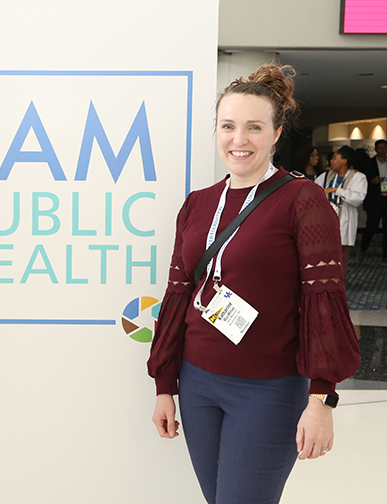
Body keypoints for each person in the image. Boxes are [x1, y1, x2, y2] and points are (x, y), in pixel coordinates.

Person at [148, 63, 360, 504]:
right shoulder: (198, 203)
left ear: (277, 133)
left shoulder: (304, 199)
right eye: (228, 126)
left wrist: (321, 398)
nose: (238, 140)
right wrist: (165, 384)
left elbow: (324, 301)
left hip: (268, 389)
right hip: (198, 383)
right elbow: (177, 295)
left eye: (254, 127)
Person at [315, 146, 367, 280]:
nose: (331, 161)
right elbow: (313, 190)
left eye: (334, 158)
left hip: (345, 214)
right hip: (326, 215)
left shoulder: (358, 177)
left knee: (342, 254)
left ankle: (339, 286)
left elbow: (358, 198)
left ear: (344, 160)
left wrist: (336, 190)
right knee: (323, 251)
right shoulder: (326, 175)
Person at [358, 139, 387, 262]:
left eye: (384, 147)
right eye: (380, 148)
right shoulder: (369, 164)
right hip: (374, 200)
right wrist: (372, 181)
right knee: (371, 227)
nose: (382, 150)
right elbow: (363, 181)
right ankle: (363, 249)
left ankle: (385, 256)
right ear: (375, 150)